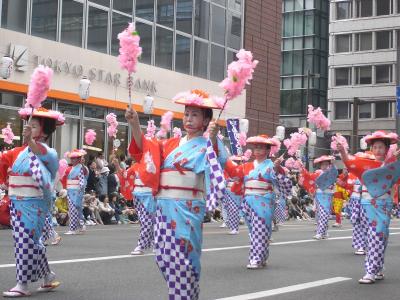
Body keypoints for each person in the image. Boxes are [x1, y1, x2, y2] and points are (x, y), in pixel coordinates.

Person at [126, 89, 228, 299]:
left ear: (207, 119)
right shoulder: (171, 143)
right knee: (164, 257)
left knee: (184, 260)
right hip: (164, 206)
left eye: (195, 115)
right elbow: (146, 149)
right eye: (187, 114)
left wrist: (215, 137)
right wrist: (134, 123)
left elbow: (217, 161)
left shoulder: (207, 145)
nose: (189, 119)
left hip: (187, 207)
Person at [0, 107, 64, 297]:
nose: (28, 129)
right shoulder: (19, 152)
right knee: (31, 241)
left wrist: (29, 141)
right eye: (28, 125)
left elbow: (40, 152)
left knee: (25, 242)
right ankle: (47, 276)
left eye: (34, 126)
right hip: (17, 202)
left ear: (44, 131)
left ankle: (23, 284)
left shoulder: (49, 153)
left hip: (34, 203)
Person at [338, 130, 399, 284]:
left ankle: (375, 269)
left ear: (386, 149)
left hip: (383, 203)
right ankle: (372, 270)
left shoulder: (391, 165)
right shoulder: (364, 163)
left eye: (381, 147)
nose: (378, 150)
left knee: (380, 236)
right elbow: (349, 163)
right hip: (366, 203)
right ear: (371, 149)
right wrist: (342, 151)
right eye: (375, 147)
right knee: (373, 236)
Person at [225, 135, 291, 269]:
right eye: (256, 147)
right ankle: (262, 256)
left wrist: (277, 168)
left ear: (268, 150)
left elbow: (283, 182)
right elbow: (235, 175)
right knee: (254, 230)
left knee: (259, 230)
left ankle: (255, 258)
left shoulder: (271, 165)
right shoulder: (246, 165)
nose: (257, 150)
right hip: (248, 199)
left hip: (264, 199)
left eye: (261, 147)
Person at [301, 156, 338, 240]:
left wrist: (332, 163)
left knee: (325, 214)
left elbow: (334, 171)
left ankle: (321, 232)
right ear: (320, 166)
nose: (325, 166)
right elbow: (309, 177)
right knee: (320, 214)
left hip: (328, 195)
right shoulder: (317, 173)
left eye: (326, 164)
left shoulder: (331, 172)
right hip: (319, 195)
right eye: (323, 165)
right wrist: (302, 166)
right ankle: (323, 232)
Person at [63, 149, 88, 235]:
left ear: (78, 159)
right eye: (72, 158)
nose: (72, 160)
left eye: (74, 158)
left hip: (77, 191)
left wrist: (81, 190)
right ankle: (81, 224)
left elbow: (82, 180)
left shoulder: (81, 168)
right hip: (70, 190)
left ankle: (73, 228)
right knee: (74, 209)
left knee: (75, 209)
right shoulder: (70, 168)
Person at [223, 155, 244, 235]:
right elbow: (224, 179)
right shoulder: (228, 170)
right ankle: (233, 227)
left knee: (241, 208)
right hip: (229, 191)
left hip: (239, 191)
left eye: (238, 161)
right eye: (235, 161)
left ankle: (241, 219)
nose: (237, 162)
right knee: (232, 210)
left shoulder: (243, 169)